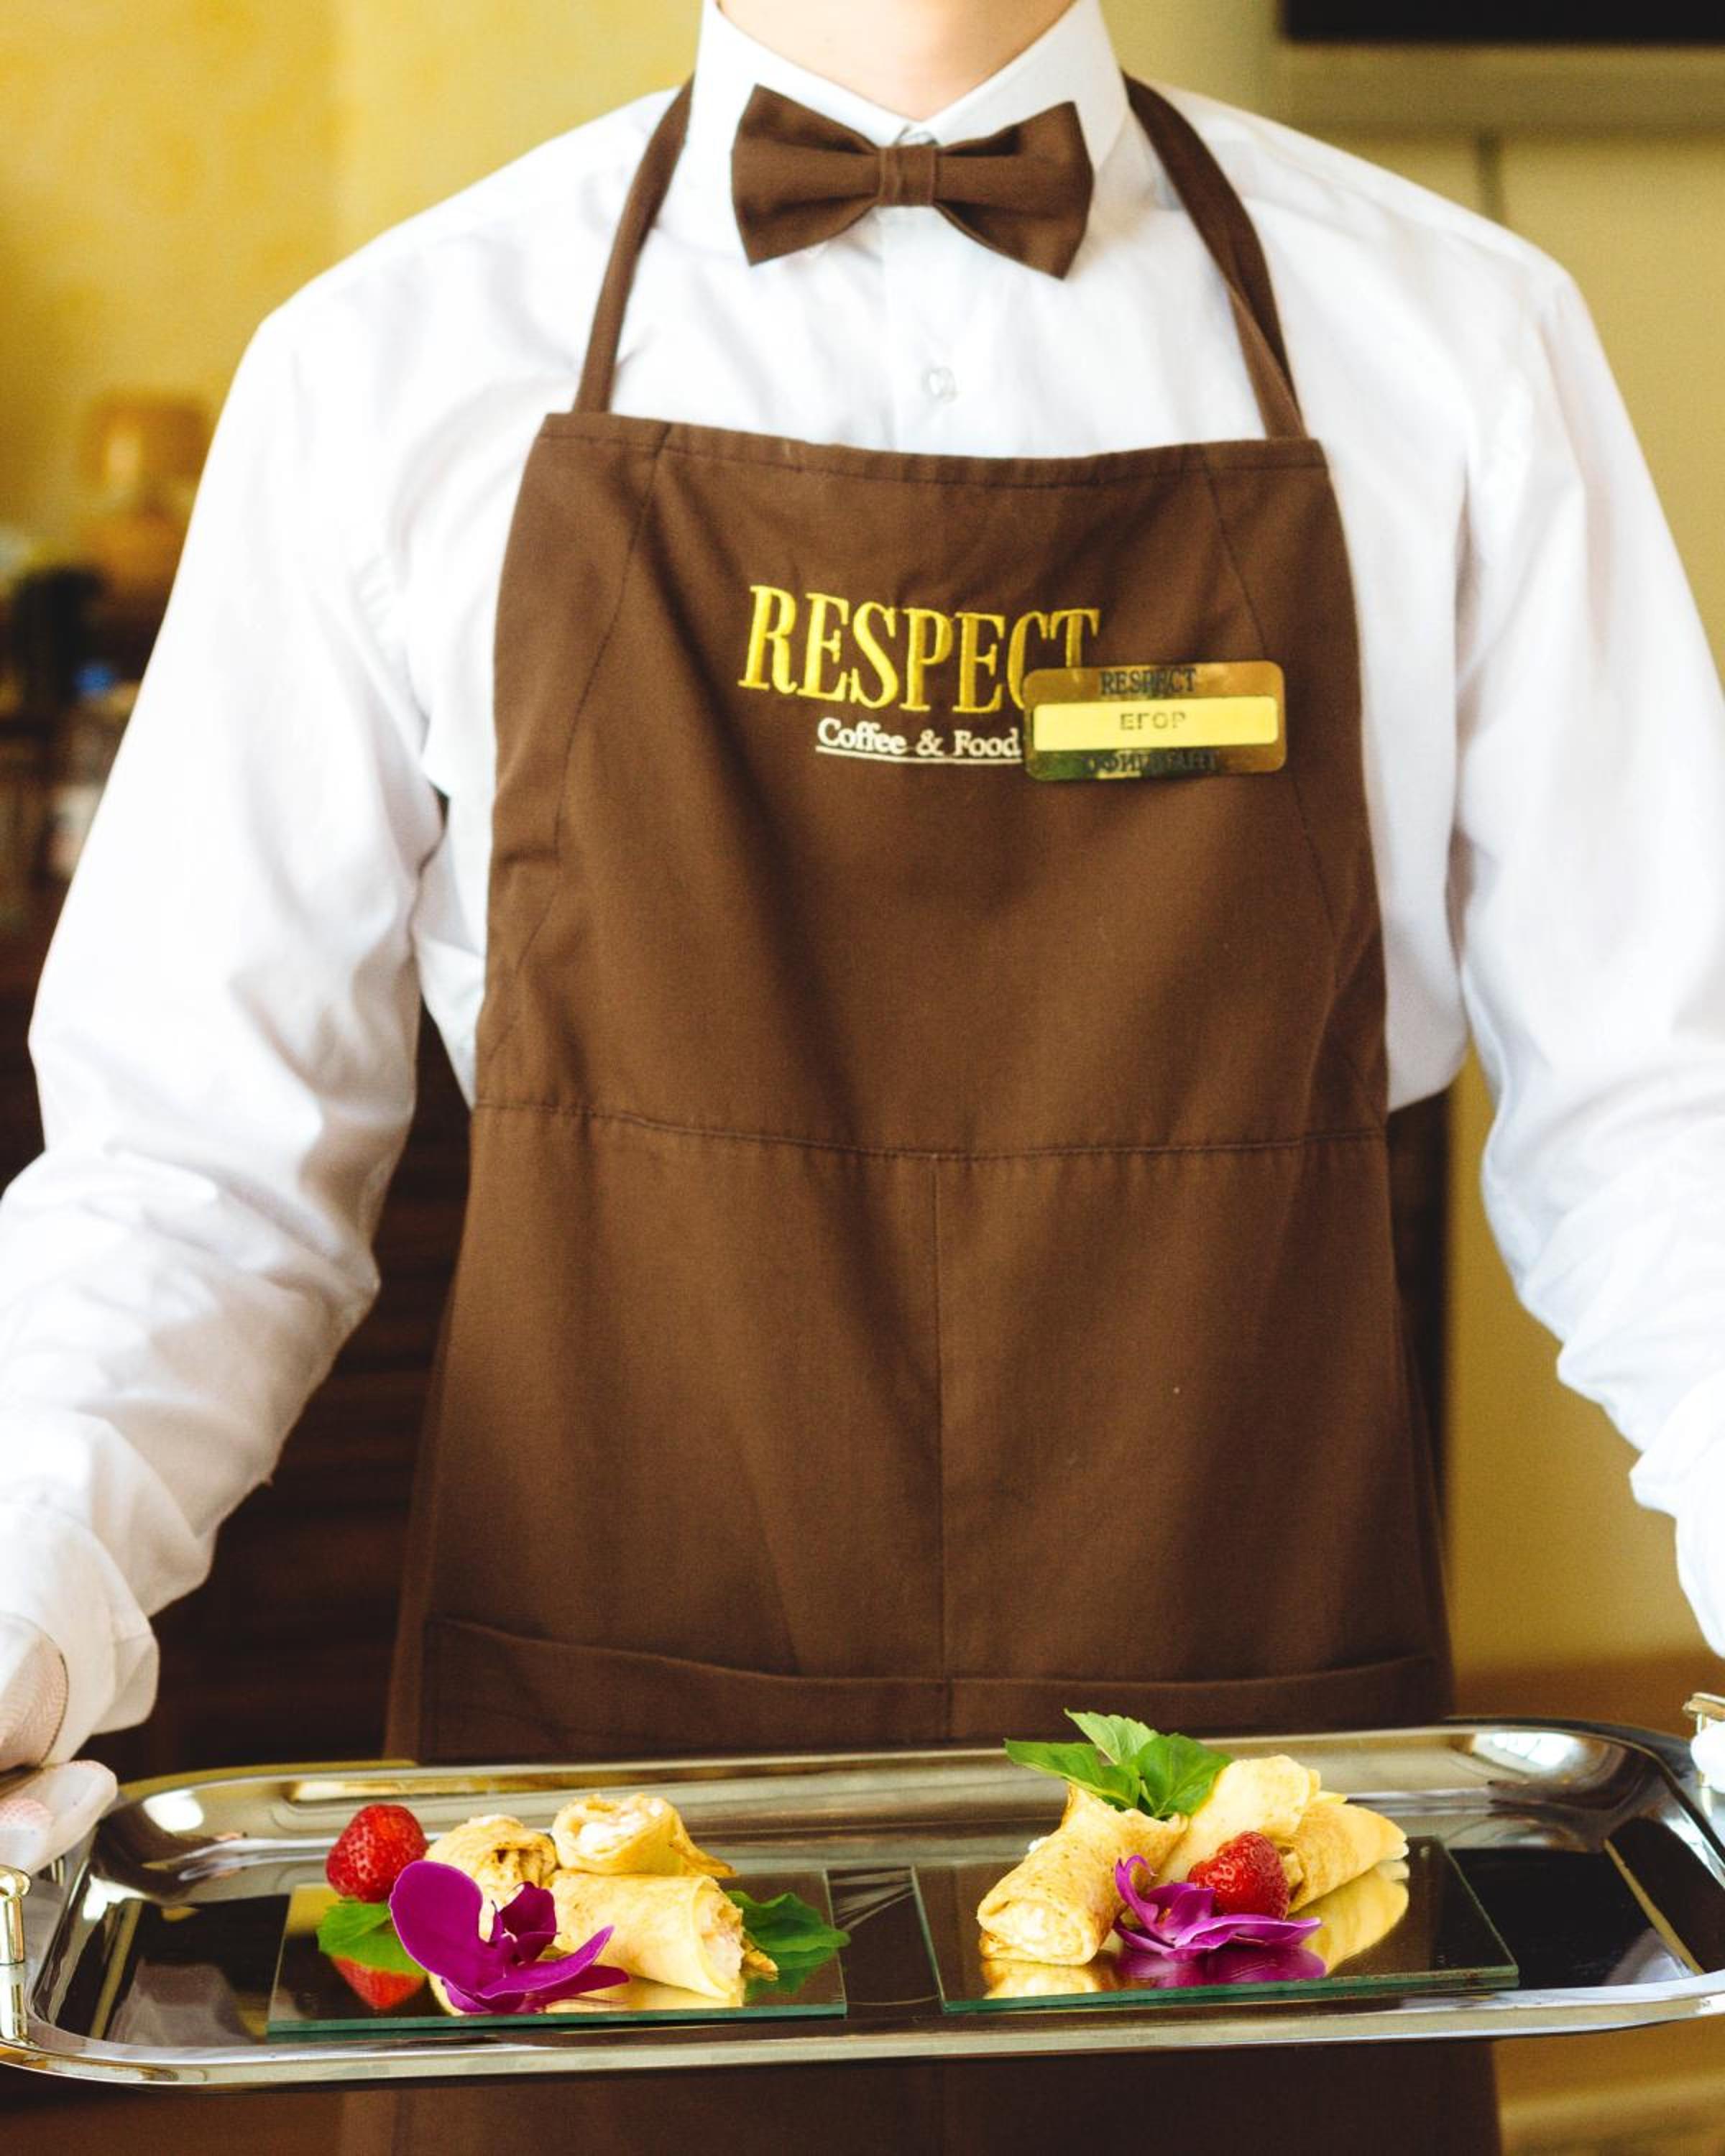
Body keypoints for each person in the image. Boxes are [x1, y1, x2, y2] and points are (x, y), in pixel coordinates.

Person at [2, 0, 1723, 2147]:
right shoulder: (385, 363)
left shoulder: (1464, 340)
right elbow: (192, 1171)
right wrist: (20, 1602)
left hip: (1257, 1827)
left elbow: (1672, 1116)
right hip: (586, 1838)